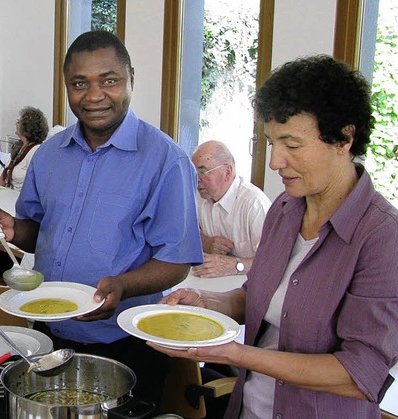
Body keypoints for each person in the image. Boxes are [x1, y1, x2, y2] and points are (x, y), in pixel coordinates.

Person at [150, 55, 398, 418]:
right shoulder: (285, 210)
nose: (275, 161)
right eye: (270, 143)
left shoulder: (382, 237)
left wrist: (236, 354)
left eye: (292, 145)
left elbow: (360, 375)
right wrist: (206, 302)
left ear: (344, 138)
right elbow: (256, 297)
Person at [0, 30, 202, 409]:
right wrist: (11, 230)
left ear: (131, 79)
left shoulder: (166, 161)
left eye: (109, 80)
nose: (94, 96)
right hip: (47, 330)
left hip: (127, 344)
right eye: (79, 83)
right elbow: (35, 231)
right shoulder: (49, 155)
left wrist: (124, 285)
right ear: (66, 86)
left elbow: (177, 261)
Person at [190, 140, 271, 278]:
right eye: (193, 172)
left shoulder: (254, 204)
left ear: (227, 171)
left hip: (250, 287)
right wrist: (207, 243)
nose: (196, 179)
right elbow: (184, 236)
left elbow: (273, 262)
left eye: (202, 172)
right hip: (211, 284)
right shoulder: (198, 197)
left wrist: (234, 266)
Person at [0, 106, 49, 191]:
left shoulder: (36, 151)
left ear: (27, 127)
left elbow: (39, 184)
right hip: (7, 195)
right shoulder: (18, 147)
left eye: (18, 122)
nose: (16, 124)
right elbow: (6, 173)